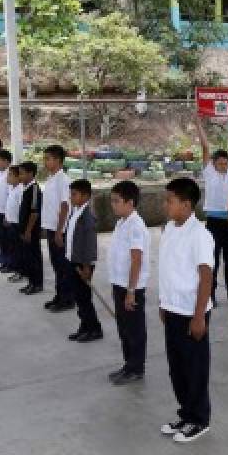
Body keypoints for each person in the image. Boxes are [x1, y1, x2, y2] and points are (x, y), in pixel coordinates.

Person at [158, 177, 216, 444]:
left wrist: (198, 316)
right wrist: (163, 302)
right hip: (172, 309)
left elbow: (206, 277)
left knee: (195, 368)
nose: (165, 205)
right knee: (177, 367)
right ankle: (186, 412)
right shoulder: (170, 228)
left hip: (192, 312)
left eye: (170, 201)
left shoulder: (200, 235)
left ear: (187, 204)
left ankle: (199, 419)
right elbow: (168, 268)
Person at [197, 117, 228, 307]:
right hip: (214, 221)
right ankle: (211, 294)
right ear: (214, 163)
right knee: (213, 259)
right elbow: (205, 147)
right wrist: (199, 123)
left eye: (226, 163)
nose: (223, 166)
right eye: (220, 163)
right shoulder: (208, 172)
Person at [107, 180, 149, 384]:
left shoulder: (136, 226)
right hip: (120, 284)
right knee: (123, 328)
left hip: (131, 288)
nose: (113, 205)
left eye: (117, 201)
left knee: (134, 330)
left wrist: (131, 290)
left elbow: (136, 259)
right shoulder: (122, 222)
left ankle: (136, 368)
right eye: (112, 200)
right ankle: (128, 365)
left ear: (130, 202)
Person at [65, 179, 100, 343]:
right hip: (74, 261)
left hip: (83, 264)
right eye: (70, 194)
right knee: (79, 297)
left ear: (85, 196)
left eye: (74, 194)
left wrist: (86, 267)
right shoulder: (76, 211)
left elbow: (90, 244)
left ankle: (94, 329)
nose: (71, 197)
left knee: (84, 298)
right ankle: (85, 326)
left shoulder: (87, 216)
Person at [41, 145, 74, 313]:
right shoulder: (51, 179)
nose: (45, 162)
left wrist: (60, 230)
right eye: (45, 158)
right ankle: (59, 295)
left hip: (59, 229)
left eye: (48, 158)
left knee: (62, 265)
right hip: (51, 227)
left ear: (58, 161)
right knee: (56, 264)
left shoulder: (63, 180)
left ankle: (67, 298)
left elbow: (65, 206)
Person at [16, 160, 44, 296]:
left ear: (31, 174)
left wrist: (27, 231)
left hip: (31, 231)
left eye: (21, 173)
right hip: (24, 230)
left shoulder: (34, 189)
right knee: (28, 257)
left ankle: (37, 283)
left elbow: (34, 213)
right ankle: (31, 282)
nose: (19, 176)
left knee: (34, 257)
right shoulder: (26, 188)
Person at [1, 164, 24, 277]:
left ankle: (19, 270)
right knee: (12, 247)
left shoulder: (20, 190)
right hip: (10, 222)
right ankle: (13, 267)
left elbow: (20, 209)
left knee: (18, 249)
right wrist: (6, 217)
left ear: (18, 177)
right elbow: (9, 205)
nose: (7, 178)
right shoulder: (12, 188)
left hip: (16, 224)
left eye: (10, 175)